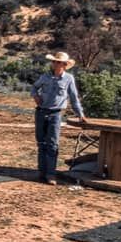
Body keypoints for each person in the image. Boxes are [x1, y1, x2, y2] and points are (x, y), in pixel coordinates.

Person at [31, 51, 86, 185]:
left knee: (53, 145)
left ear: (64, 64)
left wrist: (80, 114)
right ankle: (41, 172)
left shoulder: (68, 79)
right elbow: (34, 87)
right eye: (54, 61)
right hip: (41, 112)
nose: (54, 64)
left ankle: (50, 174)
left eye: (58, 62)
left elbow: (73, 98)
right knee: (41, 143)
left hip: (56, 114)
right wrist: (36, 96)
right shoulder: (45, 76)